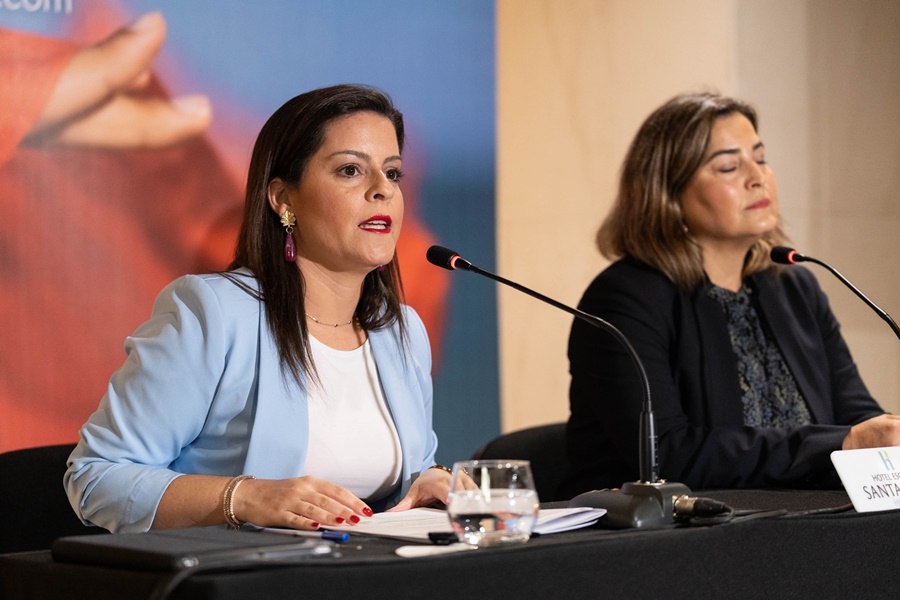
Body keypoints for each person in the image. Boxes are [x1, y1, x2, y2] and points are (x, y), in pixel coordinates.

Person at [65, 84, 451, 534]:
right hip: (239, 567)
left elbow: (393, 492)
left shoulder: (402, 331)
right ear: (284, 199)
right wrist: (245, 498)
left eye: (393, 173)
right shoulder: (213, 313)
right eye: (350, 170)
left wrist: (427, 484)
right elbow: (97, 477)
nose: (382, 190)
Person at [562, 92, 900, 496]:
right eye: (728, 167)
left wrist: (885, 439)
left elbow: (856, 415)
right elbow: (666, 455)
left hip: (804, 520)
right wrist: (837, 445)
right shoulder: (625, 299)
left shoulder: (794, 286)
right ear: (668, 194)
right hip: (677, 529)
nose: (758, 177)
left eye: (761, 158)